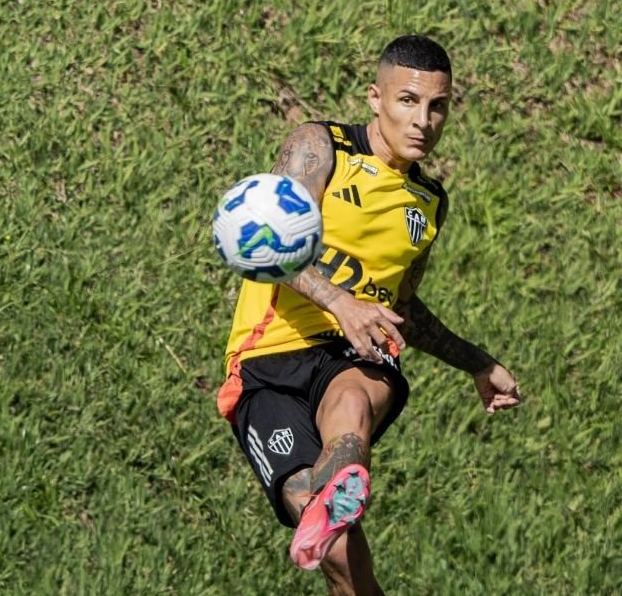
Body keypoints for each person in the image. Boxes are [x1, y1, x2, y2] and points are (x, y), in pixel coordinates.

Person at [216, 35, 522, 595]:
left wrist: (478, 362)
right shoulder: (321, 147)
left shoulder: (428, 202)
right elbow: (266, 244)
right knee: (338, 553)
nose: (423, 121)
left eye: (437, 106)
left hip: (358, 354)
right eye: (408, 100)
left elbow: (404, 309)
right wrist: (340, 302)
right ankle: (327, 506)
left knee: (353, 400)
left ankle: (341, 485)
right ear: (375, 98)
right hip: (267, 359)